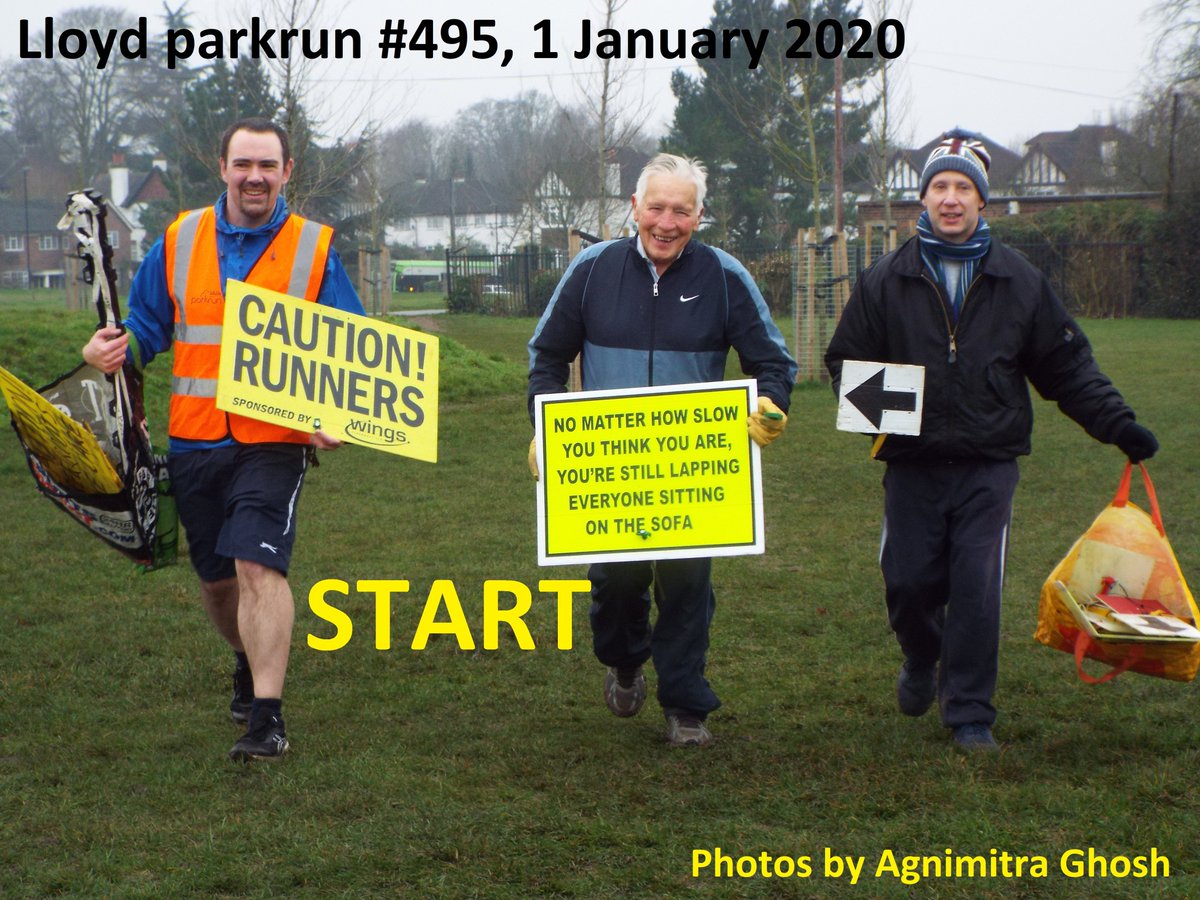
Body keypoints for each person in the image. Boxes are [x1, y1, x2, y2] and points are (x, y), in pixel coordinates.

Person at [824, 128, 1158, 751]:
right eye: (940, 186)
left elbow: (1067, 368)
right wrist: (892, 408)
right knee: (908, 584)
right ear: (921, 200)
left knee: (978, 587)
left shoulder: (1020, 280)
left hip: (989, 464)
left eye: (964, 188)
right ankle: (922, 658)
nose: (951, 199)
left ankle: (970, 712)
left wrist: (1118, 423)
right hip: (913, 466)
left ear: (983, 201)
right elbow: (844, 362)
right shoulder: (884, 280)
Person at [83, 117, 365, 762]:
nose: (255, 177)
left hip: (275, 439)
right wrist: (113, 350)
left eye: (268, 165)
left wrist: (337, 413)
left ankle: (267, 717)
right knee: (217, 581)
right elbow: (147, 327)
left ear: (287, 172)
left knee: (257, 563)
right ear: (223, 167)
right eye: (244, 164)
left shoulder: (314, 248)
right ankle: (244, 656)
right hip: (196, 441)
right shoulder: (181, 238)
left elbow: (353, 346)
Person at [527, 153, 797, 747]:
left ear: (700, 216)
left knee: (686, 587)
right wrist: (543, 430)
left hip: (696, 474)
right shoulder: (592, 271)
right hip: (608, 474)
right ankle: (623, 660)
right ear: (634, 209)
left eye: (681, 210)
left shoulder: (726, 277)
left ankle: (685, 705)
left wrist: (771, 405)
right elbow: (546, 358)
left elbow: (772, 362)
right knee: (617, 584)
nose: (667, 222)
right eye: (656, 208)